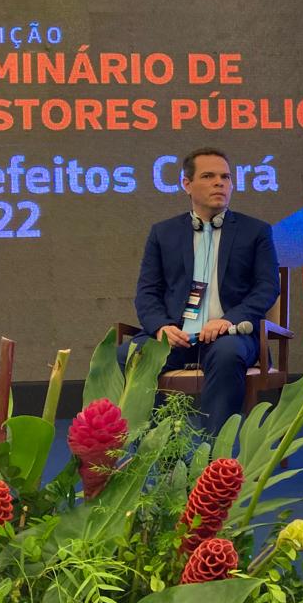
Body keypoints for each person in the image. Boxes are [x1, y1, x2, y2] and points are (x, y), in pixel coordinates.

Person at [121, 147, 279, 435]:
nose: (219, 183)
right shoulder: (163, 233)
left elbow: (267, 287)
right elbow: (147, 291)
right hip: (177, 335)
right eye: (208, 176)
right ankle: (163, 448)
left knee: (227, 354)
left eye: (225, 177)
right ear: (187, 184)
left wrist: (228, 320)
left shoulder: (255, 231)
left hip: (230, 335)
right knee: (130, 354)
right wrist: (161, 327)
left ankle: (214, 451)